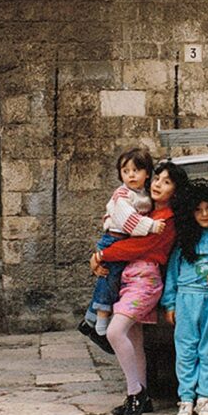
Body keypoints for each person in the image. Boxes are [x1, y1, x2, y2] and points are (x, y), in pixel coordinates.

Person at [90, 160, 186, 415]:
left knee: (114, 331)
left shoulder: (167, 220)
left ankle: (136, 393)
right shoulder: (147, 213)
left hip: (146, 282)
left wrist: (102, 254)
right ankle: (143, 396)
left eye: (167, 182)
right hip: (129, 279)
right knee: (135, 340)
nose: (158, 184)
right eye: (157, 178)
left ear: (175, 192)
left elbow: (137, 248)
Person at [161, 179, 208, 415]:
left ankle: (205, 398)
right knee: (185, 349)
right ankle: (186, 399)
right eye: (198, 209)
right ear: (189, 212)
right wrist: (169, 303)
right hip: (185, 299)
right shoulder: (183, 242)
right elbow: (172, 274)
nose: (204, 214)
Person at [80, 147, 161, 351]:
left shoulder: (144, 193)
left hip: (123, 240)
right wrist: (151, 226)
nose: (131, 175)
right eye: (126, 171)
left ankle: (89, 320)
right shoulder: (123, 193)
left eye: (136, 170)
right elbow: (128, 219)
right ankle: (100, 324)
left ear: (147, 173)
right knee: (110, 278)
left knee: (114, 280)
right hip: (114, 240)